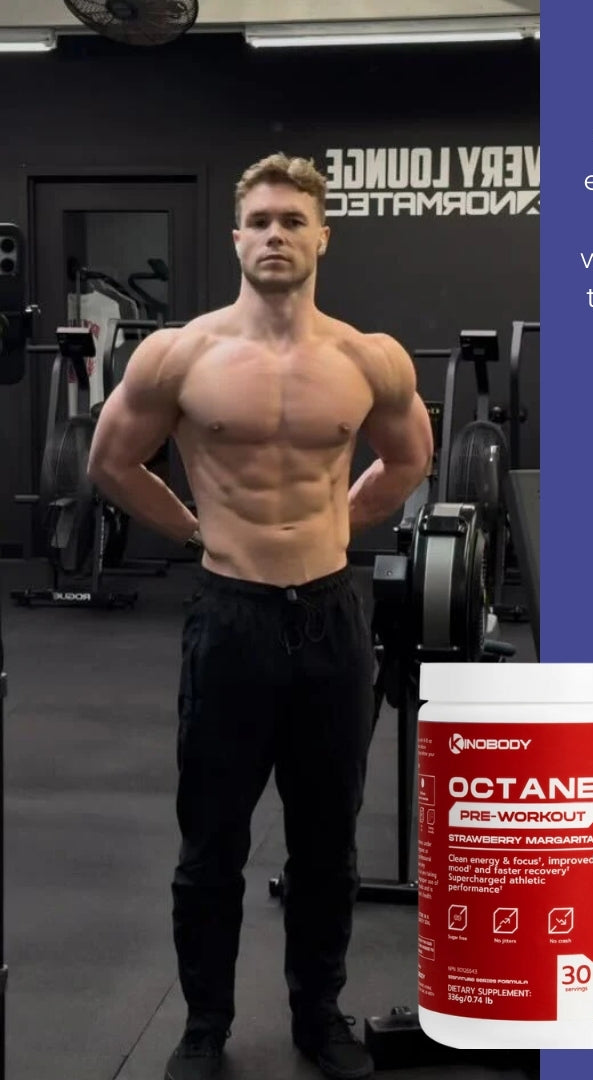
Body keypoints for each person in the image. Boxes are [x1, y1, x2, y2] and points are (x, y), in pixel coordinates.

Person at [87, 153, 434, 1080]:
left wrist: (339, 518)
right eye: (261, 221)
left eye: (293, 221)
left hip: (329, 617)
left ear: (322, 236)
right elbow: (112, 463)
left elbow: (407, 460)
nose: (276, 235)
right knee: (211, 842)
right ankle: (205, 1027)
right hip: (230, 614)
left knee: (328, 842)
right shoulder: (180, 353)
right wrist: (194, 526)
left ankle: (318, 1017)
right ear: (236, 235)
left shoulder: (370, 358)